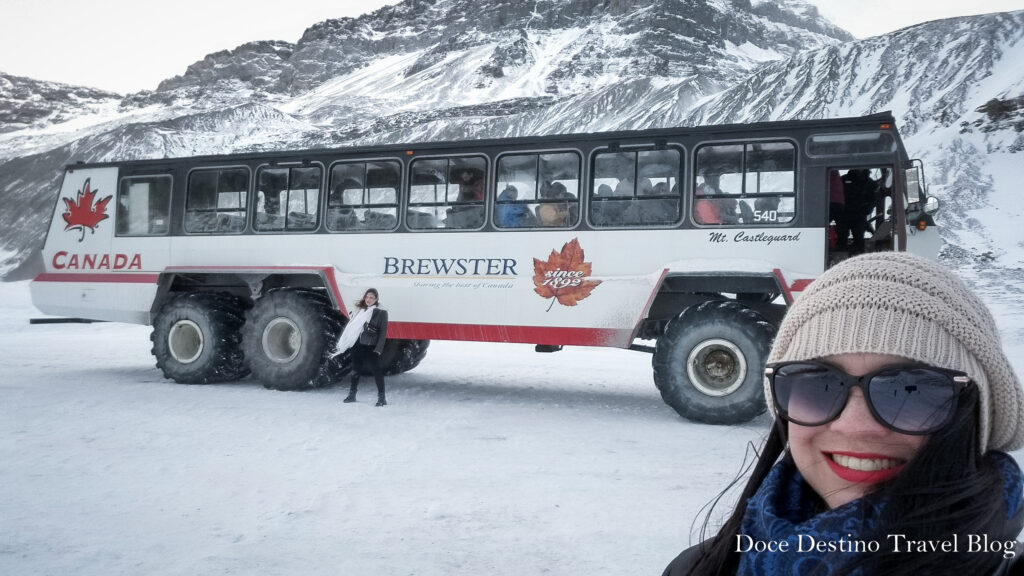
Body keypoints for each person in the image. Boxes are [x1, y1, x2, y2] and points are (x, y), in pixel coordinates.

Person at [663, 251, 1024, 576]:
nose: (854, 426)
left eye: (910, 390)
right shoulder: (696, 568)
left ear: (973, 412)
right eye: (817, 384)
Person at [333, 288, 390, 407]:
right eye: (367, 297)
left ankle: (382, 397)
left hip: (371, 345)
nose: (369, 299)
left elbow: (383, 332)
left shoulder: (381, 312)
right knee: (355, 369)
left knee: (377, 371)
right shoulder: (359, 310)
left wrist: (378, 349)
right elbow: (352, 325)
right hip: (356, 343)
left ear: (376, 299)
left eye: (372, 298)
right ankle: (352, 394)